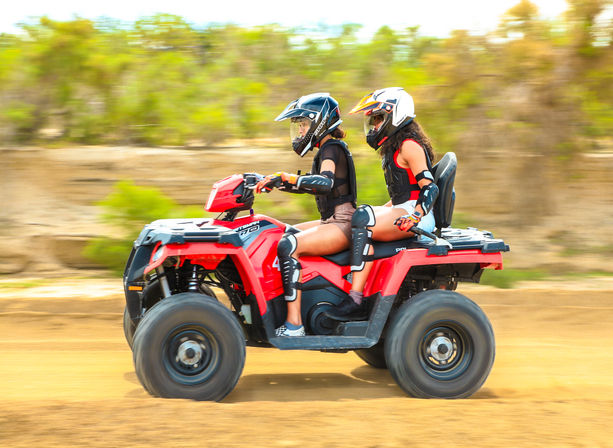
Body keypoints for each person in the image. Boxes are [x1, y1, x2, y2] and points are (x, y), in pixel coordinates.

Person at [329, 87, 439, 317]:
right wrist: (382, 209)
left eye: (378, 119)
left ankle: (355, 298)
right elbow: (403, 193)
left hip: (419, 214)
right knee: (360, 214)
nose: (374, 126)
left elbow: (429, 188)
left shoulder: (409, 146)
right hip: (404, 207)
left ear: (395, 115)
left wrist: (414, 217)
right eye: (373, 120)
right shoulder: (396, 147)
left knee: (362, 219)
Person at [255, 93, 357, 336]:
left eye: (303, 124)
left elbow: (324, 182)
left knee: (289, 245)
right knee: (280, 232)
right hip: (331, 220)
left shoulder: (332, 148)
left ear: (319, 122)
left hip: (343, 222)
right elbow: (312, 185)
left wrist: (287, 177)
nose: (300, 130)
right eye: (298, 126)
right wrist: (276, 181)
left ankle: (294, 324)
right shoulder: (326, 149)